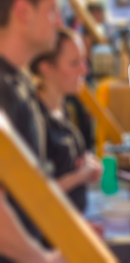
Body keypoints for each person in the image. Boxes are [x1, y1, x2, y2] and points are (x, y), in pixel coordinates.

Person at [0, 0, 66, 263]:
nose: (59, 22)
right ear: (24, 11)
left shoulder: (19, 80)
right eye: (52, 10)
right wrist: (41, 258)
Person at [30, 29, 102, 213]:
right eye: (74, 63)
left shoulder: (62, 107)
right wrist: (81, 175)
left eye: (84, 60)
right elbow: (33, 195)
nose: (85, 69)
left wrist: (86, 163)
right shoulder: (34, 119)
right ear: (46, 68)